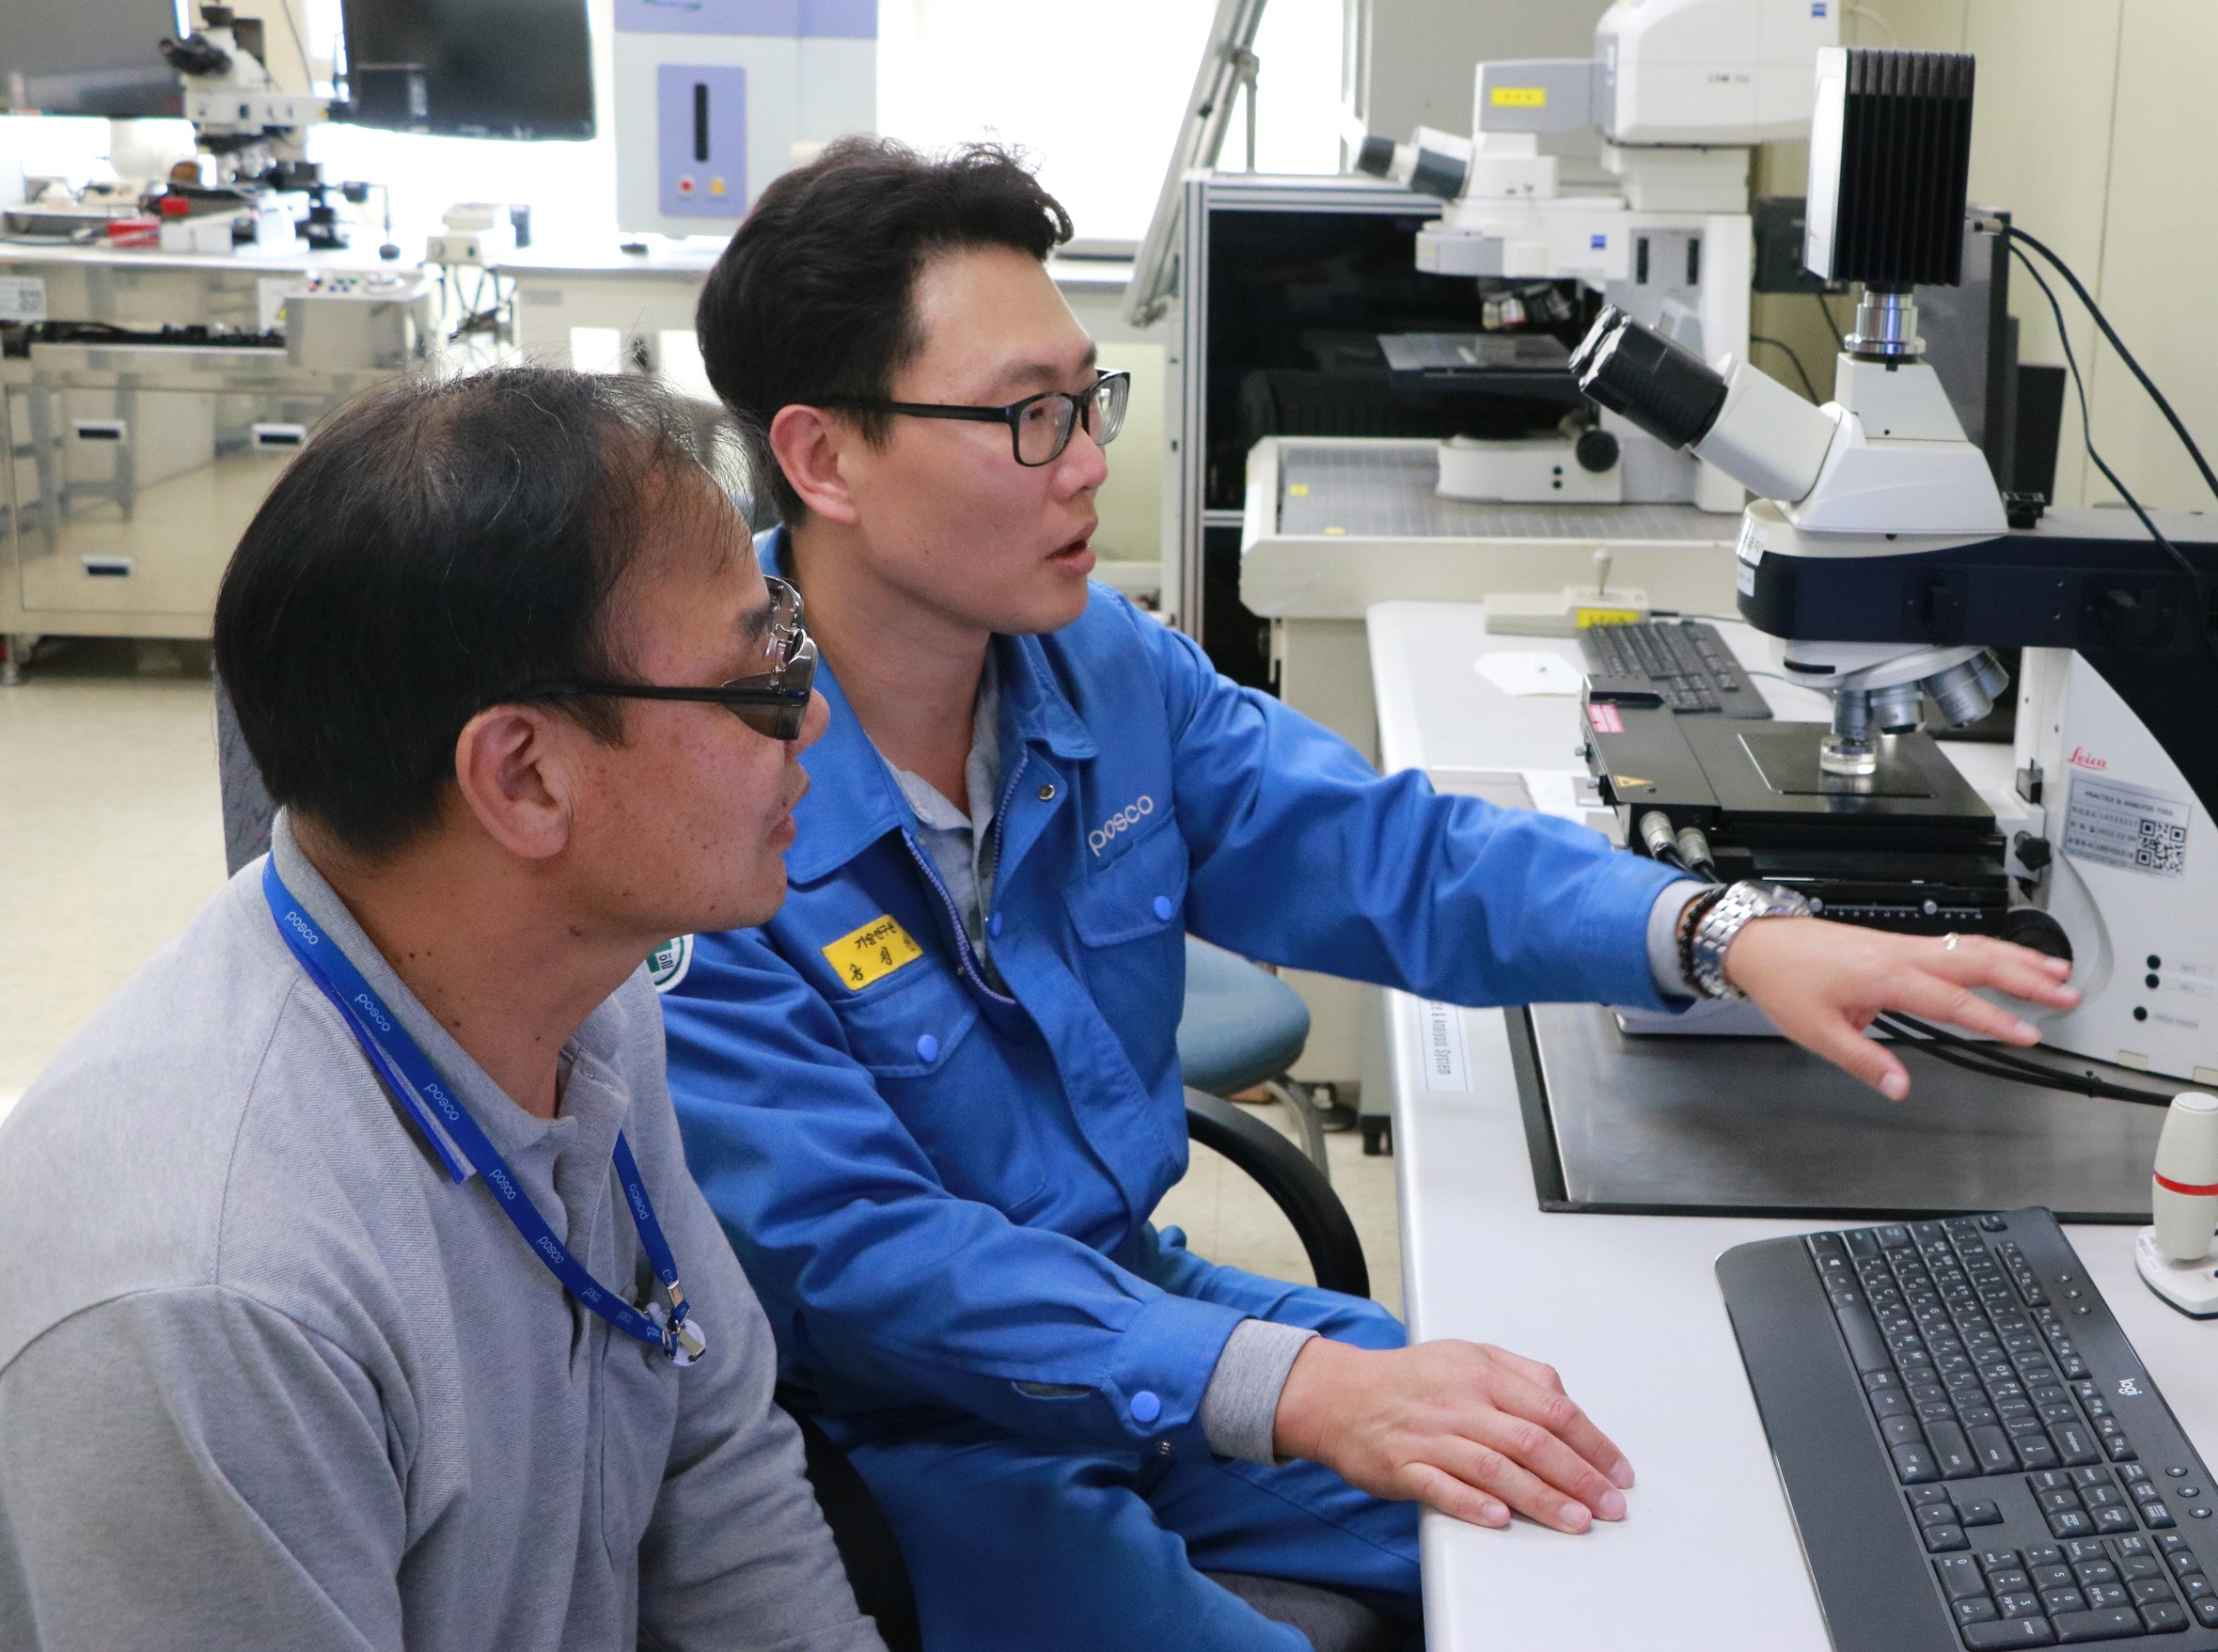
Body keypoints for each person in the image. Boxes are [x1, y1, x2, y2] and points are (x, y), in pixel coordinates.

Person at [660, 137, 2081, 1650]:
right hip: (914, 1431)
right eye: (1027, 417)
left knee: (1615, 1503)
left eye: (1089, 402)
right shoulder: (707, 794)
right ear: (822, 458)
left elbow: (1380, 850)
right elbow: (869, 1262)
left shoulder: (1094, 665)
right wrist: (1304, 1386)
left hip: (1142, 1302)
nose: (1087, 462)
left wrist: (1721, 932)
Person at [0, 369, 884, 1652]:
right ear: (524, 776)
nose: (809, 716)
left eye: (784, 641)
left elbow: (720, 1474)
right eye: (755, 682)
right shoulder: (217, 1303)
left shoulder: (586, 995)